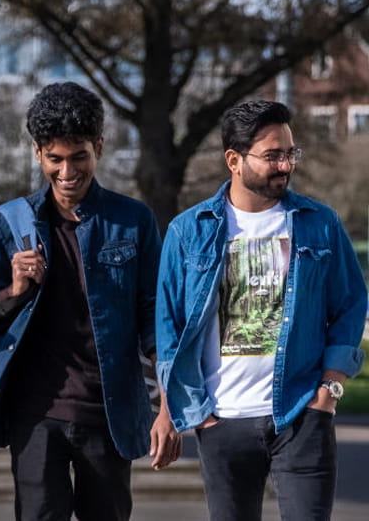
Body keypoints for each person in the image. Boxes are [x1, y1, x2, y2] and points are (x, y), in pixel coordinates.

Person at [0, 82, 179, 521]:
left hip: (107, 412)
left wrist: (169, 410)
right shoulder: (12, 223)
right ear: (38, 153)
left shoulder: (132, 221)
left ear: (98, 146)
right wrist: (15, 290)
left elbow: (157, 319)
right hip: (36, 414)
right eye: (55, 159)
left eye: (79, 157)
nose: (67, 172)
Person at [156, 100, 367, 521]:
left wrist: (329, 390)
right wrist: (187, 412)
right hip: (222, 422)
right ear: (234, 160)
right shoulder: (188, 231)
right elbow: (169, 326)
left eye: (290, 153)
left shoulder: (319, 223)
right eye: (272, 155)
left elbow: (350, 305)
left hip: (301, 414)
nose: (285, 165)